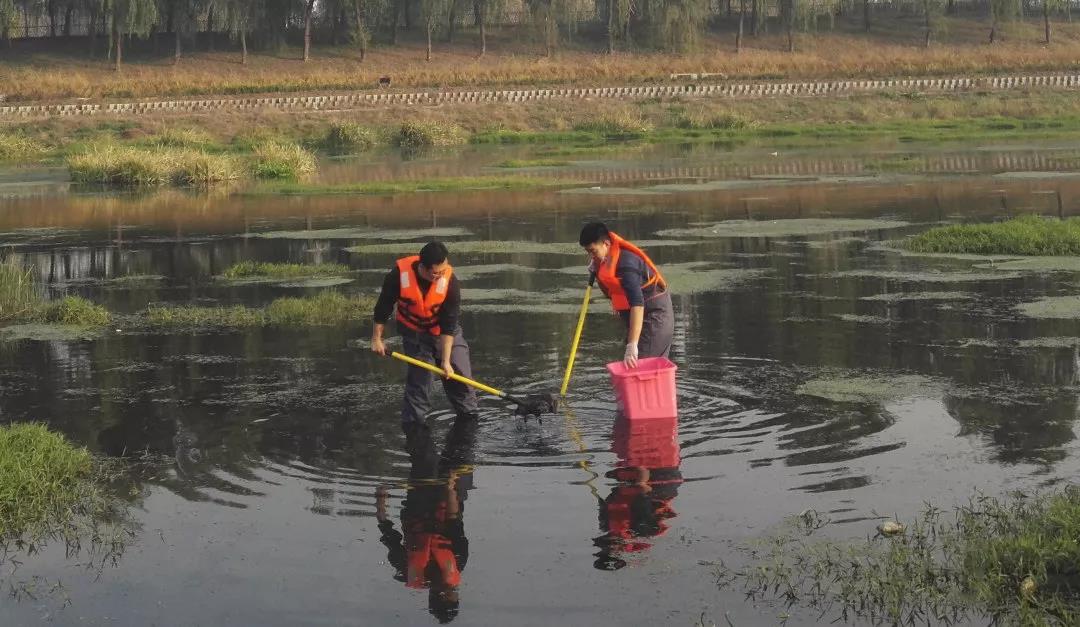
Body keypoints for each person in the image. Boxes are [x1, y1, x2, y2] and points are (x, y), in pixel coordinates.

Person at [376, 416, 478, 624]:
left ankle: (413, 419)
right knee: (462, 447)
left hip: (420, 500)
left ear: (438, 595)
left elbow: (388, 534)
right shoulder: (458, 563)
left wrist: (381, 501)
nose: (452, 587)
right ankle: (467, 415)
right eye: (454, 591)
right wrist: (451, 487)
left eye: (450, 592)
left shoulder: (407, 571)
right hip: (450, 499)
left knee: (426, 458)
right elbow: (454, 521)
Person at [371, 241, 479, 430]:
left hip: (446, 333)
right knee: (421, 381)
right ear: (424, 268)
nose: (441, 275)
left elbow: (449, 323)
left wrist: (445, 361)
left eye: (443, 270)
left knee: (461, 376)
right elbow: (383, 307)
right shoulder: (398, 275)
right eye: (436, 273)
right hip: (415, 334)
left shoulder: (450, 281)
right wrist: (376, 339)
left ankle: (469, 423)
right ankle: (414, 430)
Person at [578, 222, 675, 369]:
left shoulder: (626, 264)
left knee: (639, 367)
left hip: (654, 315)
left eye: (593, 251)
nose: (591, 256)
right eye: (588, 252)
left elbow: (637, 303)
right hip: (638, 316)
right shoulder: (604, 261)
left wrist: (632, 345)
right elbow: (610, 291)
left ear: (606, 243)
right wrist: (597, 273)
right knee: (638, 368)